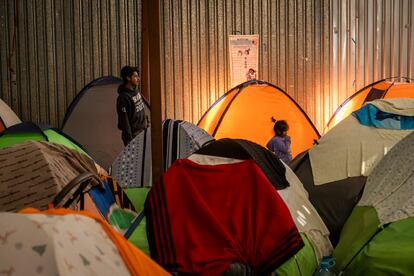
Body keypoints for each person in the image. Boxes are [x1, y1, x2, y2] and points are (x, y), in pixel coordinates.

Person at [116, 66, 146, 146]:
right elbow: (124, 120)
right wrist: (130, 139)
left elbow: (142, 109)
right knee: (135, 158)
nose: (138, 79)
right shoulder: (123, 98)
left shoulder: (136, 91)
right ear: (128, 78)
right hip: (133, 136)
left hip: (143, 132)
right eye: (135, 76)